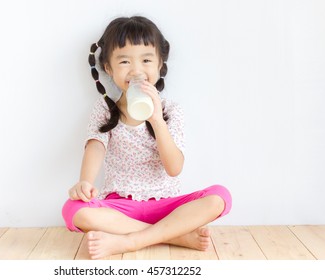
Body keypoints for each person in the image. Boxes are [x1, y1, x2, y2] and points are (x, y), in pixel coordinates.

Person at [62, 16, 232, 259]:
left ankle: (131, 241)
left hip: (166, 207)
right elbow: (95, 146)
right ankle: (174, 236)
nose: (136, 70)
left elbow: (174, 168)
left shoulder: (171, 110)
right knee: (73, 209)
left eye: (146, 60)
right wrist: (85, 183)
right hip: (120, 209)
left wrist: (156, 120)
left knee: (220, 197)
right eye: (124, 61)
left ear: (160, 65)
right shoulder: (105, 109)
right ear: (108, 68)